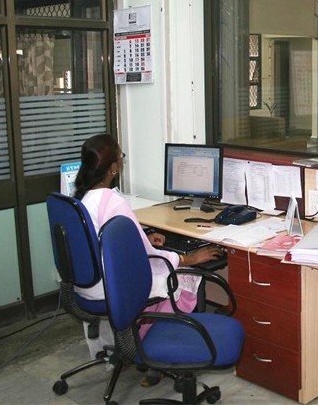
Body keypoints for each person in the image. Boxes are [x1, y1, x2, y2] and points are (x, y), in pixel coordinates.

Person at [72, 134, 221, 382]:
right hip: (113, 288)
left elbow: (108, 241)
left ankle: (140, 345)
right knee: (184, 279)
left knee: (167, 267)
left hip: (88, 286)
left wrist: (144, 237)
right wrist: (190, 258)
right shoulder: (113, 201)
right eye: (120, 157)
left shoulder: (83, 198)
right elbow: (150, 255)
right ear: (113, 167)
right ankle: (155, 352)